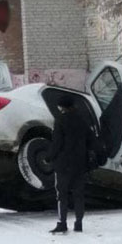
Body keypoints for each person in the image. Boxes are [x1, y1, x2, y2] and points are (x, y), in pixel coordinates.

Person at [47, 97, 93, 234]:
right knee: (78, 194)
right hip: (79, 164)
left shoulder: (60, 120)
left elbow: (57, 143)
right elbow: (91, 140)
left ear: (62, 107)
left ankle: (62, 223)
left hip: (63, 164)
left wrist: (48, 157)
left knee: (62, 195)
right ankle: (78, 223)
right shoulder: (82, 120)